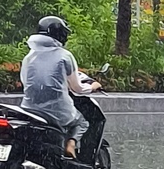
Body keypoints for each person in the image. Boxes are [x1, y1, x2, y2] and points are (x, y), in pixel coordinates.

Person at [20, 15, 103, 160]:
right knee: (82, 122)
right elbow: (77, 88)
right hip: (57, 111)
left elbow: (25, 82)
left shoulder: (29, 57)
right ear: (61, 35)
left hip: (29, 108)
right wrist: (93, 86)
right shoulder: (65, 56)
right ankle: (70, 145)